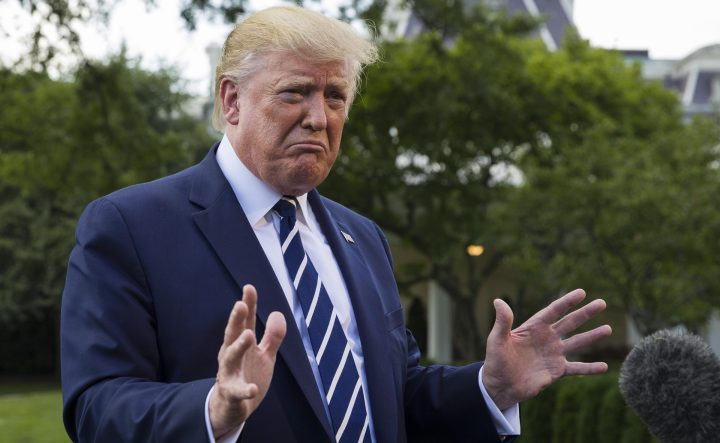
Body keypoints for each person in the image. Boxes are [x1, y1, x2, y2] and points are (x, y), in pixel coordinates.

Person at [60, 6, 612, 442]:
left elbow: (393, 398)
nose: (318, 117)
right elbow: (95, 408)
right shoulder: (131, 227)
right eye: (294, 93)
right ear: (231, 101)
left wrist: (488, 387)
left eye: (335, 97)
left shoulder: (363, 238)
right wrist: (212, 409)